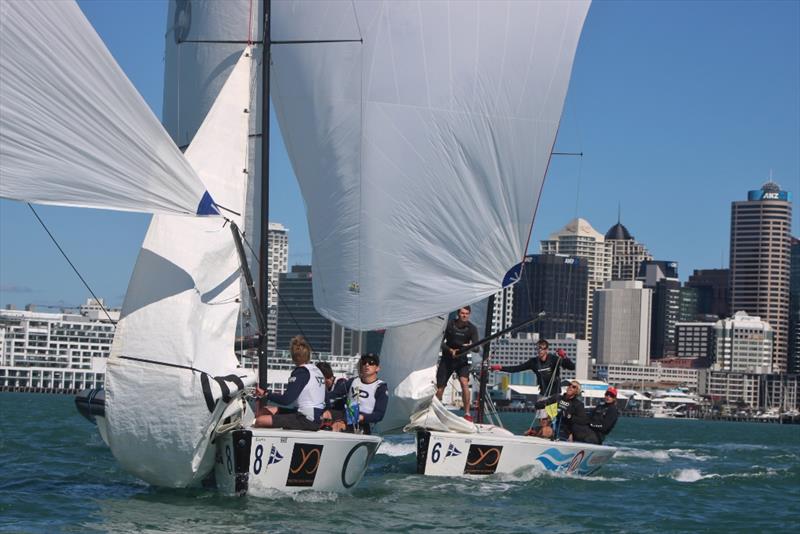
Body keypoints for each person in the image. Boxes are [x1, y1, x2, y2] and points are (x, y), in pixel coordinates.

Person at [253, 336, 325, 431]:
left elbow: (286, 400)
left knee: (260, 420)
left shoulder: (300, 372)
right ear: (308, 355)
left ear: (293, 357)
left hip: (306, 419)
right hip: (315, 417)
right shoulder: (317, 371)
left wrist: (266, 394)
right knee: (265, 410)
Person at [435, 306, 480, 421]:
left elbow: (477, 348)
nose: (464, 315)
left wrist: (469, 347)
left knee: (464, 383)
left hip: (462, 360)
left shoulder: (472, 329)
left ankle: (467, 413)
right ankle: (436, 411)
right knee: (440, 388)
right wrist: (450, 350)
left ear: (469, 314)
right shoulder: (449, 325)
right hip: (447, 359)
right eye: (462, 313)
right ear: (458, 314)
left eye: (467, 313)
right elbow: (440, 342)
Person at [327, 353, 388, 435]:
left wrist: (362, 417)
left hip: (365, 424)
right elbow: (334, 394)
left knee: (338, 425)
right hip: (347, 417)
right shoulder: (353, 381)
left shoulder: (381, 387)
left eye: (371, 362)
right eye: (364, 362)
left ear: (377, 368)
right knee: (325, 415)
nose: (367, 364)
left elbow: (379, 415)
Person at [490, 339, 575, 398]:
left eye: (542, 348)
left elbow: (571, 367)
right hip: (543, 394)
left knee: (552, 419)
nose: (540, 350)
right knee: (542, 420)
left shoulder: (554, 359)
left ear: (546, 350)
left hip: (555, 394)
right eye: (538, 348)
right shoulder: (533, 362)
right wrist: (500, 368)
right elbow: (517, 368)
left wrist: (564, 356)